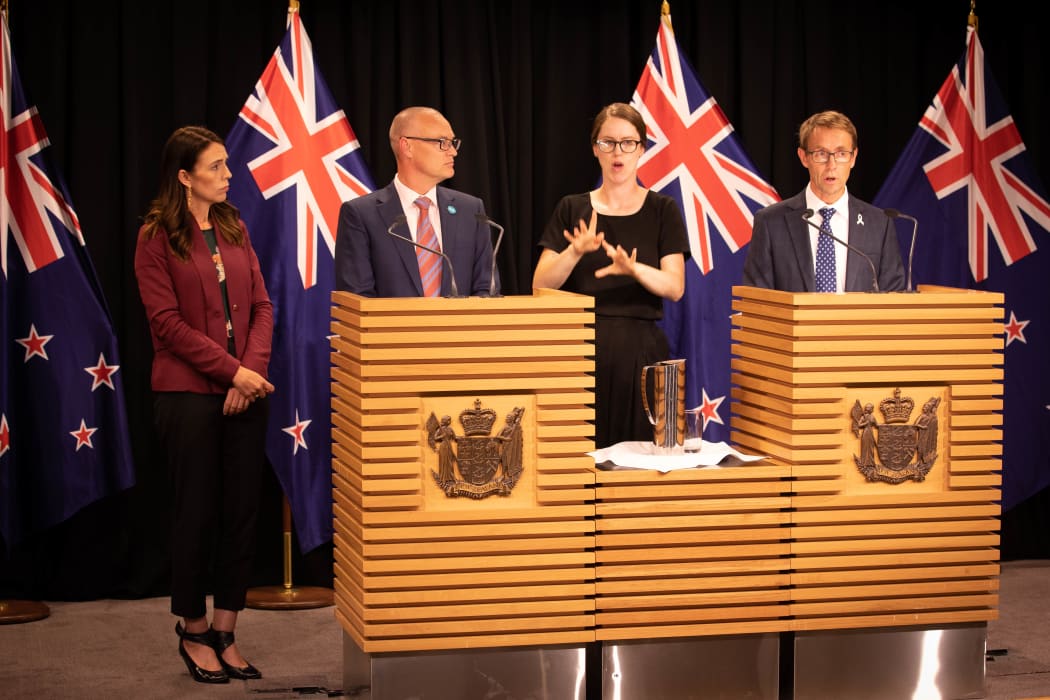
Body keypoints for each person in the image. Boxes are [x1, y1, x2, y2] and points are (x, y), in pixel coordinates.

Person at [134, 125, 275, 684]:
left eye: (226, 165)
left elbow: (263, 306)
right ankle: (192, 631)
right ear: (185, 177)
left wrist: (252, 373)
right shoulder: (155, 237)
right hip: (188, 396)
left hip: (248, 392)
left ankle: (225, 630)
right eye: (216, 167)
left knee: (241, 513)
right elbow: (166, 326)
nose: (228, 175)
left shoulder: (234, 227)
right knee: (196, 514)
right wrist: (232, 370)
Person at [533, 102, 688, 449]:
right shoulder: (572, 208)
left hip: (643, 354)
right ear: (595, 149)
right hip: (580, 351)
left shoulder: (663, 209)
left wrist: (634, 268)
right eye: (607, 143)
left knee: (643, 462)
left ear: (641, 149)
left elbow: (675, 287)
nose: (617, 152)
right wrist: (575, 251)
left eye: (627, 143)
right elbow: (540, 284)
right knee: (578, 458)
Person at [334, 106, 497, 297]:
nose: (453, 152)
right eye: (442, 142)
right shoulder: (361, 215)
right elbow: (358, 298)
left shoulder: (471, 211)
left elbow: (487, 290)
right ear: (407, 147)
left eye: (453, 142)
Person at [742, 110, 905, 292]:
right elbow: (756, 302)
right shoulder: (771, 222)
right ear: (804, 157)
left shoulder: (879, 224)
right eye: (821, 154)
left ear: (853, 158)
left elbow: (894, 301)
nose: (832, 165)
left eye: (841, 153)